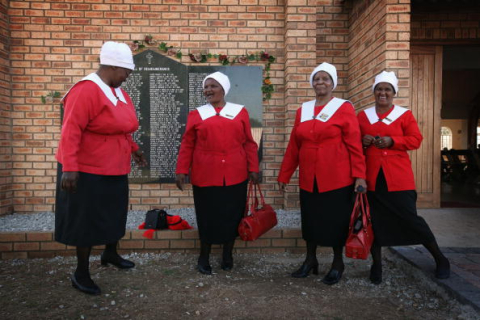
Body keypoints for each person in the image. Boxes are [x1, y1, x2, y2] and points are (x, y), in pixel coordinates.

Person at [55, 41, 147, 295]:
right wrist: (70, 168)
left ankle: (110, 253)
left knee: (113, 213)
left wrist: (134, 149)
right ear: (112, 66)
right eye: (126, 71)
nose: (128, 77)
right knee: (85, 221)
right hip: (87, 169)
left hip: (115, 167)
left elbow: (121, 129)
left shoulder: (117, 91)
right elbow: (70, 130)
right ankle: (81, 272)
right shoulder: (86, 90)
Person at [278, 62, 367, 285]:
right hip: (310, 178)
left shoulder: (343, 107)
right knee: (310, 221)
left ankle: (338, 263)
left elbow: (354, 143)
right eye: (317, 78)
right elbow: (294, 147)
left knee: (336, 221)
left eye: (325, 78)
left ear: (333, 83)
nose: (320, 82)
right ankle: (310, 260)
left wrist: (360, 175)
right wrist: (284, 175)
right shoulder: (303, 110)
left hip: (337, 177)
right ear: (312, 83)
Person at [358, 71, 450, 284]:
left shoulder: (403, 114)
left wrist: (393, 141)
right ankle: (377, 265)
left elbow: (416, 139)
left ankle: (440, 258)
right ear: (374, 92)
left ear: (393, 93)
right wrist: (364, 141)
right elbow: (355, 144)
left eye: (387, 89)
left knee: (411, 219)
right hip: (372, 179)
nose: (383, 93)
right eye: (379, 89)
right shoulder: (363, 116)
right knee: (375, 222)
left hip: (398, 178)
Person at [175, 71, 259, 275]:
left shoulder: (240, 112)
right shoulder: (197, 113)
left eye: (213, 86)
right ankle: (204, 256)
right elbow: (187, 143)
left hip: (235, 173)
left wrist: (253, 167)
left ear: (224, 89)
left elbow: (249, 142)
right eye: (206, 86)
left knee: (232, 214)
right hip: (206, 173)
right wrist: (181, 169)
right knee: (207, 215)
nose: (208, 90)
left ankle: (227, 254)